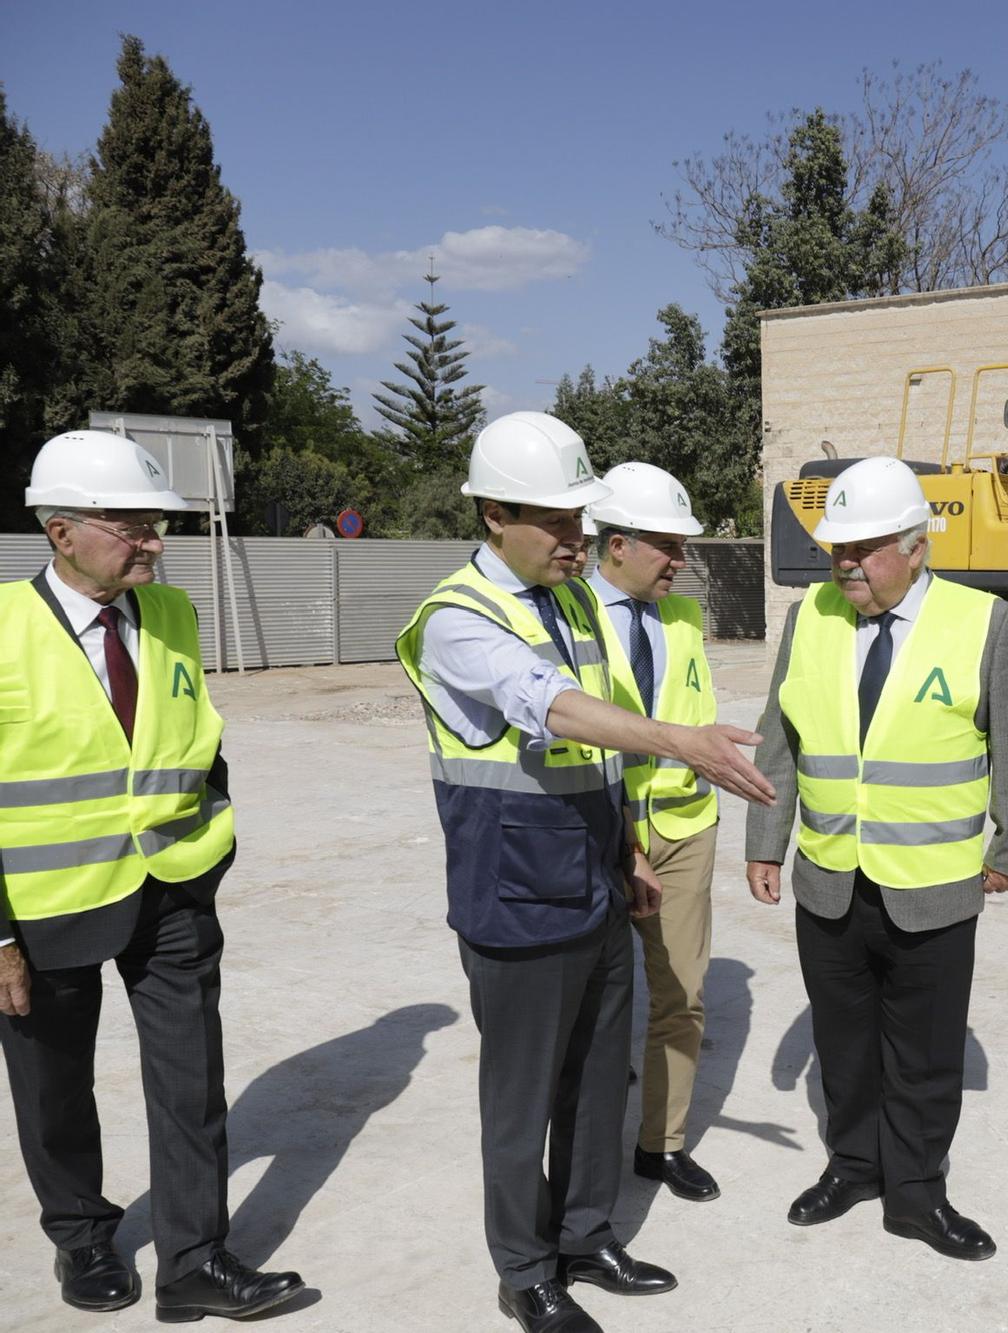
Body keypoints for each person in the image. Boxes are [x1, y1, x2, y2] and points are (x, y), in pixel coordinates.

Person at [395, 413, 773, 1333]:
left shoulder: (568, 603)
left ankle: (587, 1232)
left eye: (581, 519)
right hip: (515, 892)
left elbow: (598, 751)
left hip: (597, 877)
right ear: (493, 512)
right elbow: (551, 708)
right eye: (557, 521)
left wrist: (630, 851)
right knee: (524, 1098)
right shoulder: (456, 618)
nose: (577, 539)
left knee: (600, 1078)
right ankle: (525, 1270)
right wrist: (682, 741)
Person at [0, 430, 307, 1322]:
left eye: (156, 523)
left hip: (171, 890)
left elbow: (195, 737)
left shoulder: (170, 614)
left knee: (190, 1077)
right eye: (130, 523)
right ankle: (83, 1235)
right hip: (44, 904)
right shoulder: (4, 629)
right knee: (54, 1086)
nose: (153, 540)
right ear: (60, 530)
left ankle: (196, 1261)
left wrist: (210, 848)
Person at [745, 455, 1008, 1262]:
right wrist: (766, 840)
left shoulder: (985, 621)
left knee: (924, 1049)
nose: (844, 563)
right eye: (836, 548)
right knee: (842, 1041)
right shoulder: (811, 617)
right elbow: (780, 736)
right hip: (830, 877)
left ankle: (915, 1193)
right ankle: (852, 1165)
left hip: (935, 884)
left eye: (863, 548)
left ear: (916, 547)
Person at [578, 463, 723, 1203]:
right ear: (617, 544)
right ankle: (580, 1162)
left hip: (686, 829)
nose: (681, 559)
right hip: (601, 832)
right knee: (590, 1006)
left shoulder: (684, 620)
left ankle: (659, 1144)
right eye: (666, 545)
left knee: (681, 997)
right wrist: (626, 841)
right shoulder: (569, 618)